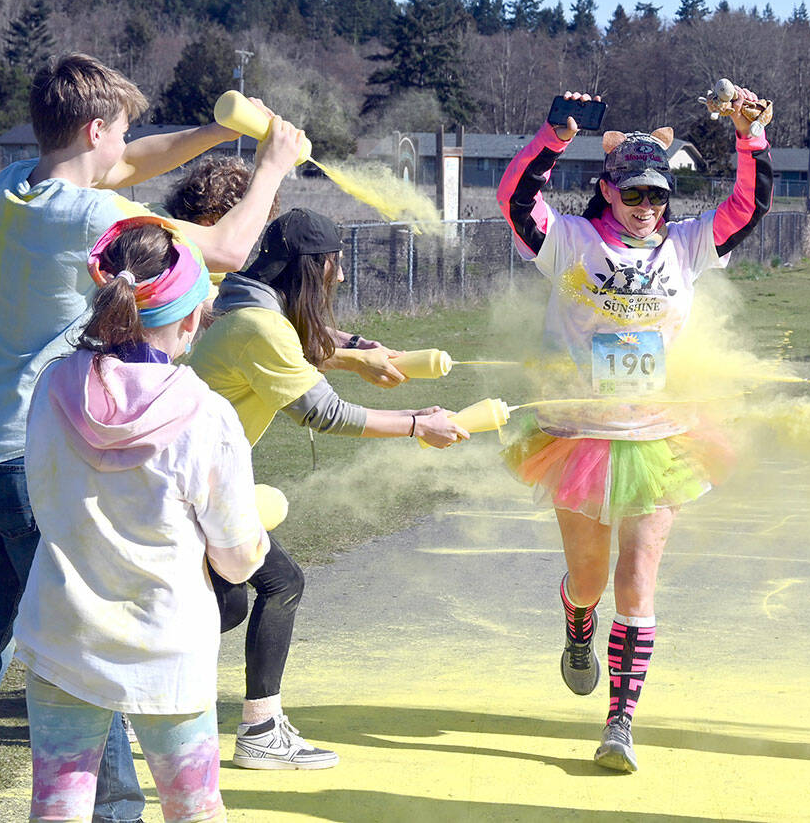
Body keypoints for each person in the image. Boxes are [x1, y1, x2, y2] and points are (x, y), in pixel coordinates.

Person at [0, 52, 299, 823]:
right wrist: (270, 167)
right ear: (95, 129)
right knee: (90, 649)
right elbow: (221, 252)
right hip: (42, 449)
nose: (129, 147)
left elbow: (127, 162)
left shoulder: (14, 183)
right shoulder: (93, 220)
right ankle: (118, 810)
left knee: (8, 633)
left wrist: (215, 131)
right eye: (122, 130)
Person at [495, 88, 772, 771]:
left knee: (638, 579)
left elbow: (748, 206)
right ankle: (577, 619)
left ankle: (620, 721)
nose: (646, 206)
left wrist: (751, 138)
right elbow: (515, 201)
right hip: (578, 434)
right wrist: (554, 137)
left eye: (657, 195)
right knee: (591, 579)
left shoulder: (688, 244)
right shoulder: (571, 241)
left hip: (660, 435)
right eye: (633, 193)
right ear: (607, 190)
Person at [186, 207, 467, 769]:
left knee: (227, 602)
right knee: (279, 584)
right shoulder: (260, 327)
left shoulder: (240, 299)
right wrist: (418, 425)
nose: (339, 275)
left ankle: (136, 695)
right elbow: (324, 413)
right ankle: (259, 730)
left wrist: (361, 350)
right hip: (199, 486)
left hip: (197, 481)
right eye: (333, 264)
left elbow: (301, 338)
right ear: (310, 267)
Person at [16, 217, 268, 823]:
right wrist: (257, 532)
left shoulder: (52, 385)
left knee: (57, 810)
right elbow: (237, 558)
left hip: (62, 633)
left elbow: (43, 490)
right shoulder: (207, 415)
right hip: (167, 645)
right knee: (193, 810)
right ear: (191, 319)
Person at [163, 157, 406, 389]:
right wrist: (355, 359)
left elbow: (277, 329)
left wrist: (353, 343)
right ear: (211, 221)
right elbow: (266, 339)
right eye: (249, 229)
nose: (253, 240)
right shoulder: (171, 258)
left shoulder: (198, 255)